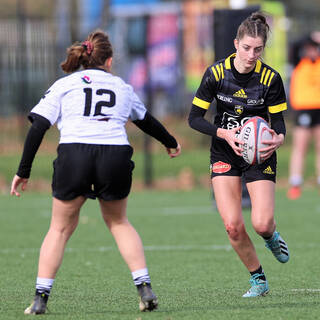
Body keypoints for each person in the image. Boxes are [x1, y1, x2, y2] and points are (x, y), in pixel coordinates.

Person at [11, 29, 181, 315]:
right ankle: (145, 288)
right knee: (118, 223)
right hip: (113, 155)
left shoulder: (64, 85)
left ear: (82, 57)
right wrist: (171, 142)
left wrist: (23, 171)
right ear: (110, 61)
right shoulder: (122, 86)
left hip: (75, 154)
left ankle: (40, 299)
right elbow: (146, 120)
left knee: (59, 228)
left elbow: (38, 125)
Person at [188, 12, 289, 297]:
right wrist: (225, 134)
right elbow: (194, 118)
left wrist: (278, 138)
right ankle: (258, 279)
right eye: (246, 48)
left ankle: (271, 236)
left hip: (260, 153)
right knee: (232, 225)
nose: (251, 54)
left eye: (258, 49)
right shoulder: (216, 74)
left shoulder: (270, 78)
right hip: (225, 150)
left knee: (261, 223)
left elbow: (279, 122)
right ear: (236, 43)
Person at [287, 36, 320, 200]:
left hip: (319, 108)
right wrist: (311, 36)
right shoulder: (299, 62)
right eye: (310, 47)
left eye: (315, 47)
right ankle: (295, 183)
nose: (312, 50)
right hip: (304, 109)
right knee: (300, 147)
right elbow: (294, 43)